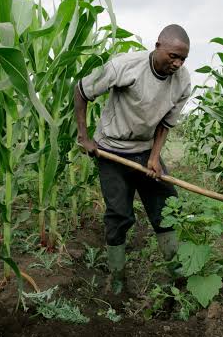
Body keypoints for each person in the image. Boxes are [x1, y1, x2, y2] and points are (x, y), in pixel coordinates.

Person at [74, 24, 192, 294]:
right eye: (173, 55)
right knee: (118, 215)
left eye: (183, 58)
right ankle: (117, 279)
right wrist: (84, 136)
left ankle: (177, 278)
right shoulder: (125, 66)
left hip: (146, 151)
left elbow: (165, 123)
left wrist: (154, 157)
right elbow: (81, 90)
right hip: (112, 151)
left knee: (167, 207)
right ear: (158, 45)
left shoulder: (182, 81)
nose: (177, 63)